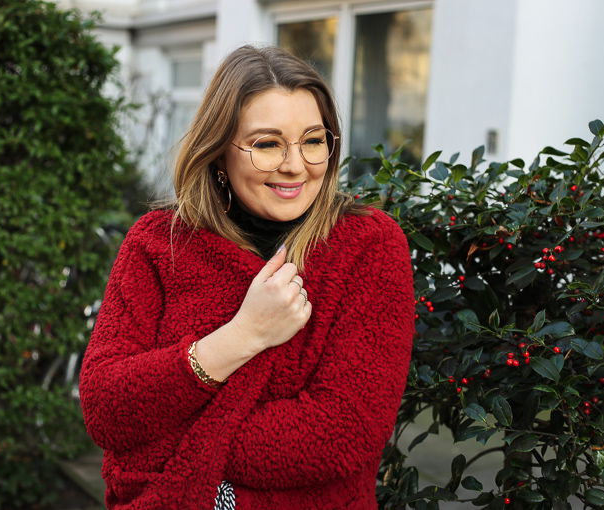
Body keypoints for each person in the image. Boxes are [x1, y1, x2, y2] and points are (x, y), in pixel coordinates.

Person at [79, 44, 414, 510]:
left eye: (313, 140)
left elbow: (342, 433)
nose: (295, 165)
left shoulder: (368, 246)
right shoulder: (158, 243)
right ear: (219, 152)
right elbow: (106, 408)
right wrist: (243, 335)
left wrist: (162, 441)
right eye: (267, 144)